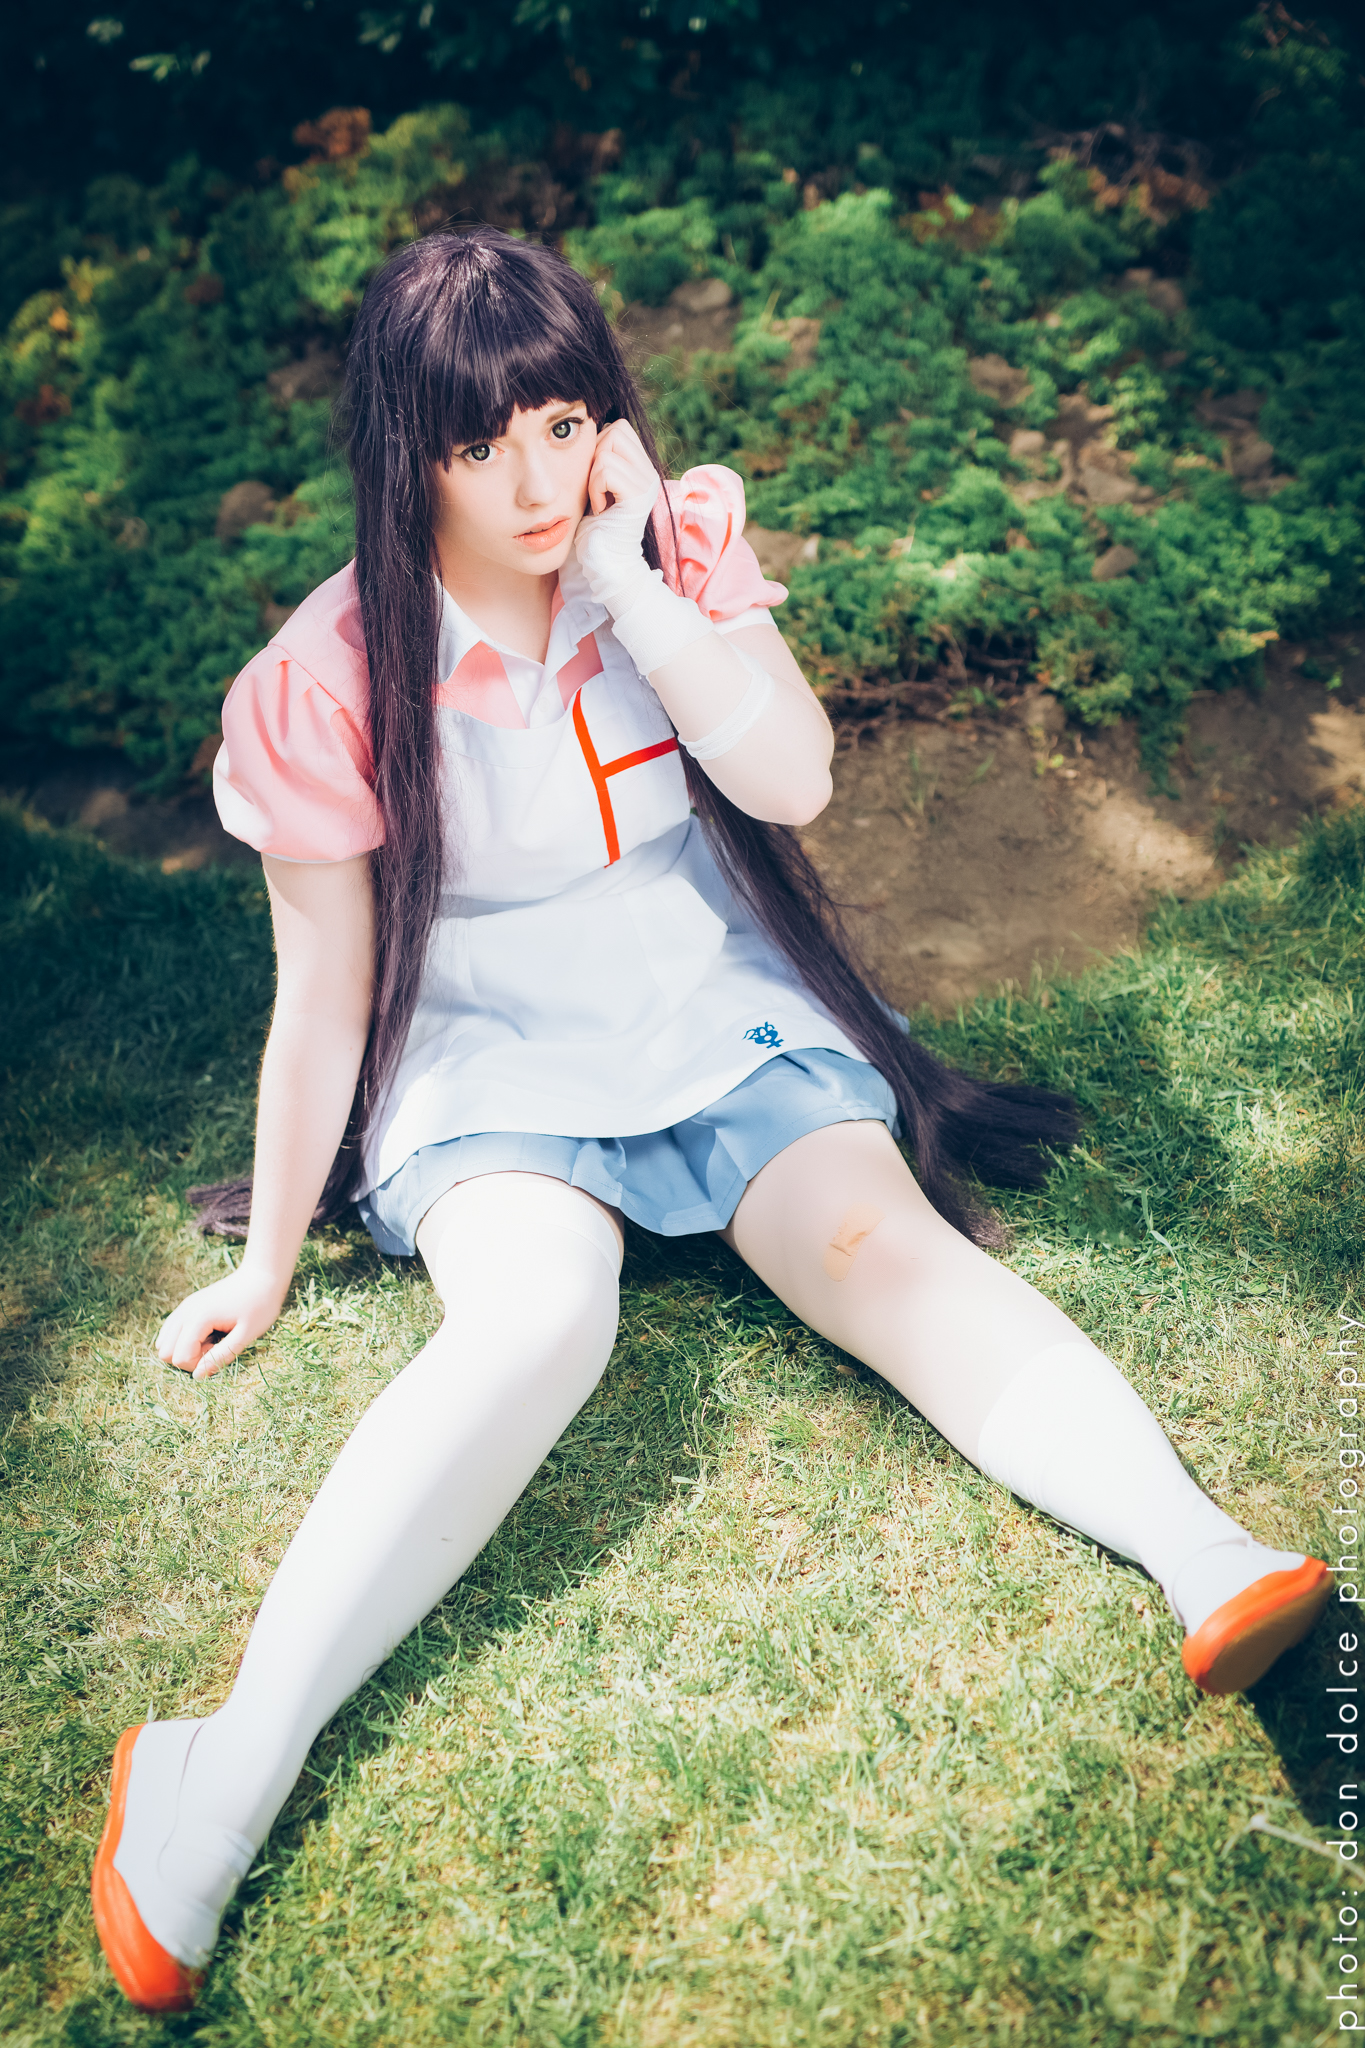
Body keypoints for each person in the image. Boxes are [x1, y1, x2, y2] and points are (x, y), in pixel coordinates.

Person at [90, 228, 1330, 2012]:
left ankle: (1203, 1553)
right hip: (485, 1049)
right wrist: (271, 1258)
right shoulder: (330, 672)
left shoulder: (661, 548)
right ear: (407, 450)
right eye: (482, 444)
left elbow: (792, 780)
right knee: (538, 1316)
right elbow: (325, 999)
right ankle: (222, 1760)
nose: (537, 484)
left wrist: (636, 588)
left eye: (563, 424)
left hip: (702, 995)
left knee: (878, 1241)